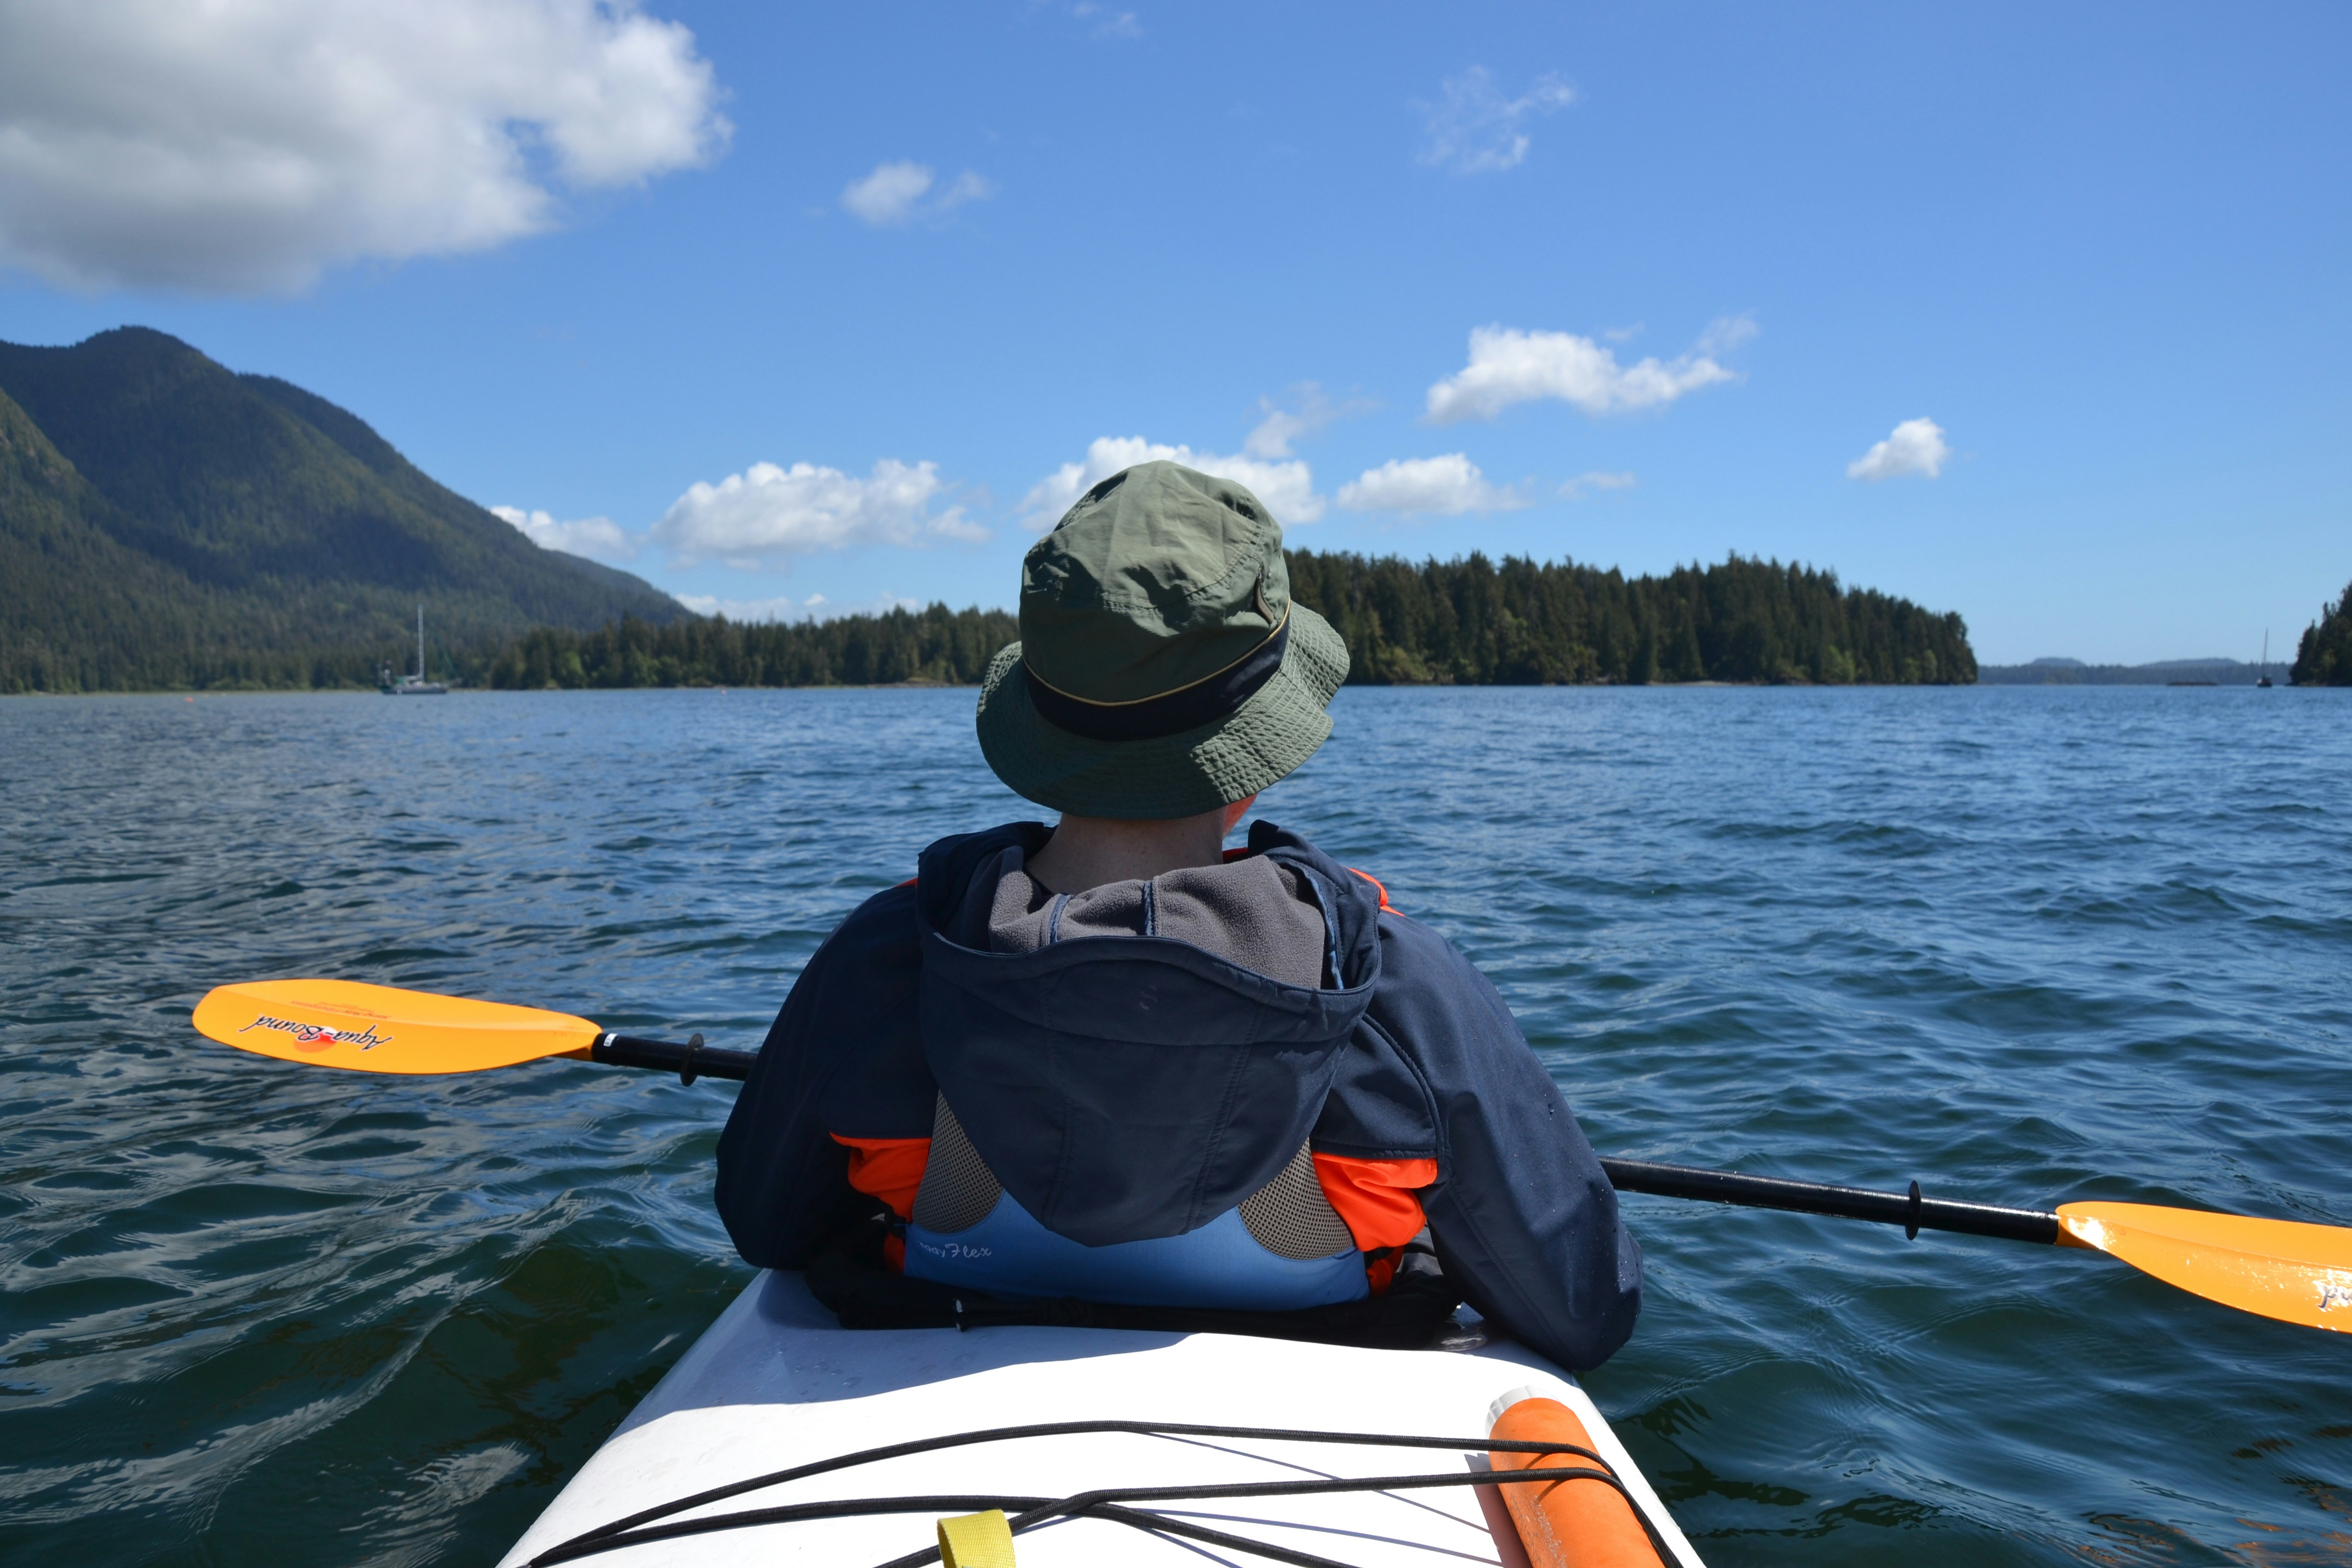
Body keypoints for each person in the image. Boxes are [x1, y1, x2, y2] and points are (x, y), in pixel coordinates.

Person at [715, 460, 1641, 1369]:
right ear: (1257, 757)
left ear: (1045, 733)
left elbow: (765, 1224)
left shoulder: (887, 963)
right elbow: (1582, 1309)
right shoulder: (1394, 993)